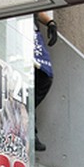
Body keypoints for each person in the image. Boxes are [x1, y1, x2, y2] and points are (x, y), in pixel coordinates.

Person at [33, 11, 57, 151]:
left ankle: (28, 125)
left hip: (32, 34)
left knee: (44, 77)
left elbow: (37, 9)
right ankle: (30, 130)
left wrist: (50, 23)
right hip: (15, 29)